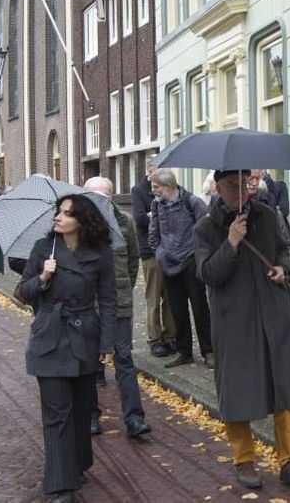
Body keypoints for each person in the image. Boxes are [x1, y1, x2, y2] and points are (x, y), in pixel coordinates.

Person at [193, 170, 290, 490]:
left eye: (244, 185)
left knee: (283, 386)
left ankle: (289, 460)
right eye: (231, 187)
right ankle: (243, 459)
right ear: (218, 188)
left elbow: (281, 254)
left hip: (272, 313)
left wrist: (281, 270)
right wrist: (231, 242)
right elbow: (208, 275)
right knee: (236, 388)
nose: (240, 192)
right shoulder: (206, 227)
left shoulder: (267, 215)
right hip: (234, 319)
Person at [18, 194, 117, 503]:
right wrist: (44, 277)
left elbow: (109, 301)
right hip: (50, 337)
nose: (58, 217)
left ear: (82, 221)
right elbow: (22, 293)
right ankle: (62, 484)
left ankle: (77, 463)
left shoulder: (100, 255)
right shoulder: (42, 249)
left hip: (85, 336)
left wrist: (107, 343)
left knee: (81, 407)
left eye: (67, 214)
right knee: (57, 412)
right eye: (58, 212)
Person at [83, 177, 150, 439]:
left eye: (105, 195)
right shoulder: (78, 227)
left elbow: (134, 261)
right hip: (88, 306)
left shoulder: (125, 223)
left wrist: (123, 288)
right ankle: (89, 415)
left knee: (124, 359)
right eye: (95, 196)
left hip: (119, 305)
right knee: (88, 362)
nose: (101, 200)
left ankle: (134, 418)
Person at [149, 169, 214, 369]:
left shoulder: (192, 202)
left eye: (155, 187)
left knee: (200, 309)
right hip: (168, 265)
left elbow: (207, 230)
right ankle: (184, 352)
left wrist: (198, 256)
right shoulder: (156, 205)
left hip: (191, 263)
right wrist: (160, 252)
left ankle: (209, 351)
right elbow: (153, 233)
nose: (153, 191)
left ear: (168, 187)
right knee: (177, 311)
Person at [132, 163, 177, 357]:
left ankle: (170, 336)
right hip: (150, 252)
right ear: (149, 167)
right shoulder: (139, 190)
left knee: (170, 297)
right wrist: (155, 214)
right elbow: (140, 219)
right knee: (153, 298)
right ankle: (154, 339)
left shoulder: (170, 188)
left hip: (171, 252)